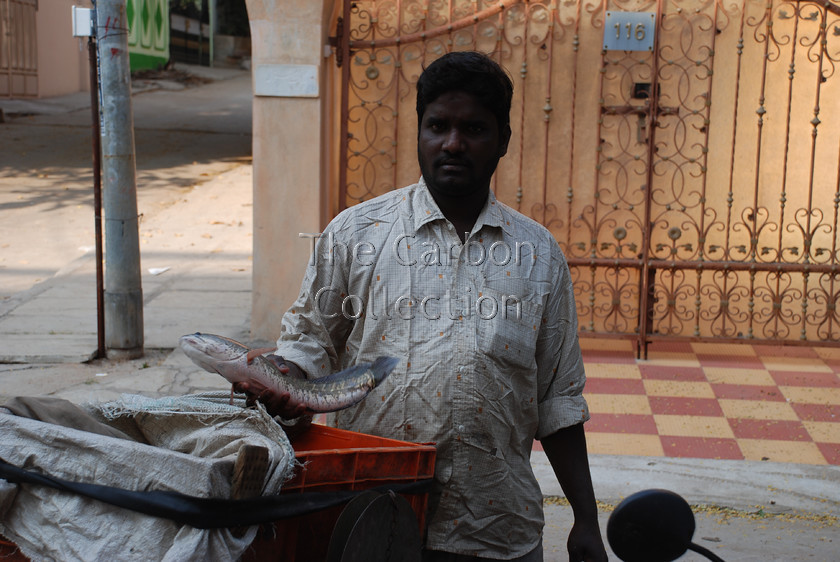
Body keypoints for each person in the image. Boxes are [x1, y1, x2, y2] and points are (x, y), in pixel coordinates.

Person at [240, 51, 607, 561]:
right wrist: (281, 379)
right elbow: (307, 347)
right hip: (368, 522)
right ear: (420, 132)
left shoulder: (538, 254)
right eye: (438, 126)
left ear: (502, 140)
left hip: (496, 530)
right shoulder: (355, 234)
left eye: (474, 128)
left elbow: (559, 402)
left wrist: (586, 521)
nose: (453, 143)